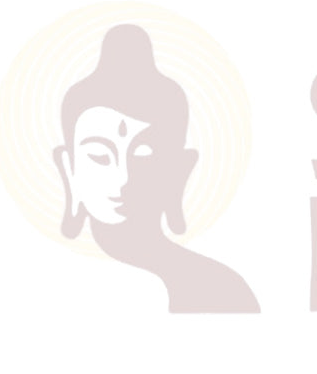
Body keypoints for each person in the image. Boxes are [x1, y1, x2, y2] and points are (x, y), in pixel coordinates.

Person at [52, 24, 260, 313]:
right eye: (99, 156)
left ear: (179, 171)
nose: (122, 178)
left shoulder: (222, 291)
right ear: (69, 169)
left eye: (144, 157)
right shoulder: (47, 285)